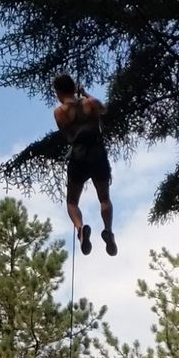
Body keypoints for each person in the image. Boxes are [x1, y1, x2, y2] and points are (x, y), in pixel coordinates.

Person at [53, 74, 117, 257]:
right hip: (97, 151)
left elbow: (66, 135)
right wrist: (85, 94)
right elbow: (103, 109)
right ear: (74, 87)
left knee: (72, 202)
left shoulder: (59, 112)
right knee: (104, 198)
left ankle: (80, 230)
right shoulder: (90, 103)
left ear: (58, 93)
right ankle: (108, 231)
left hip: (78, 154)